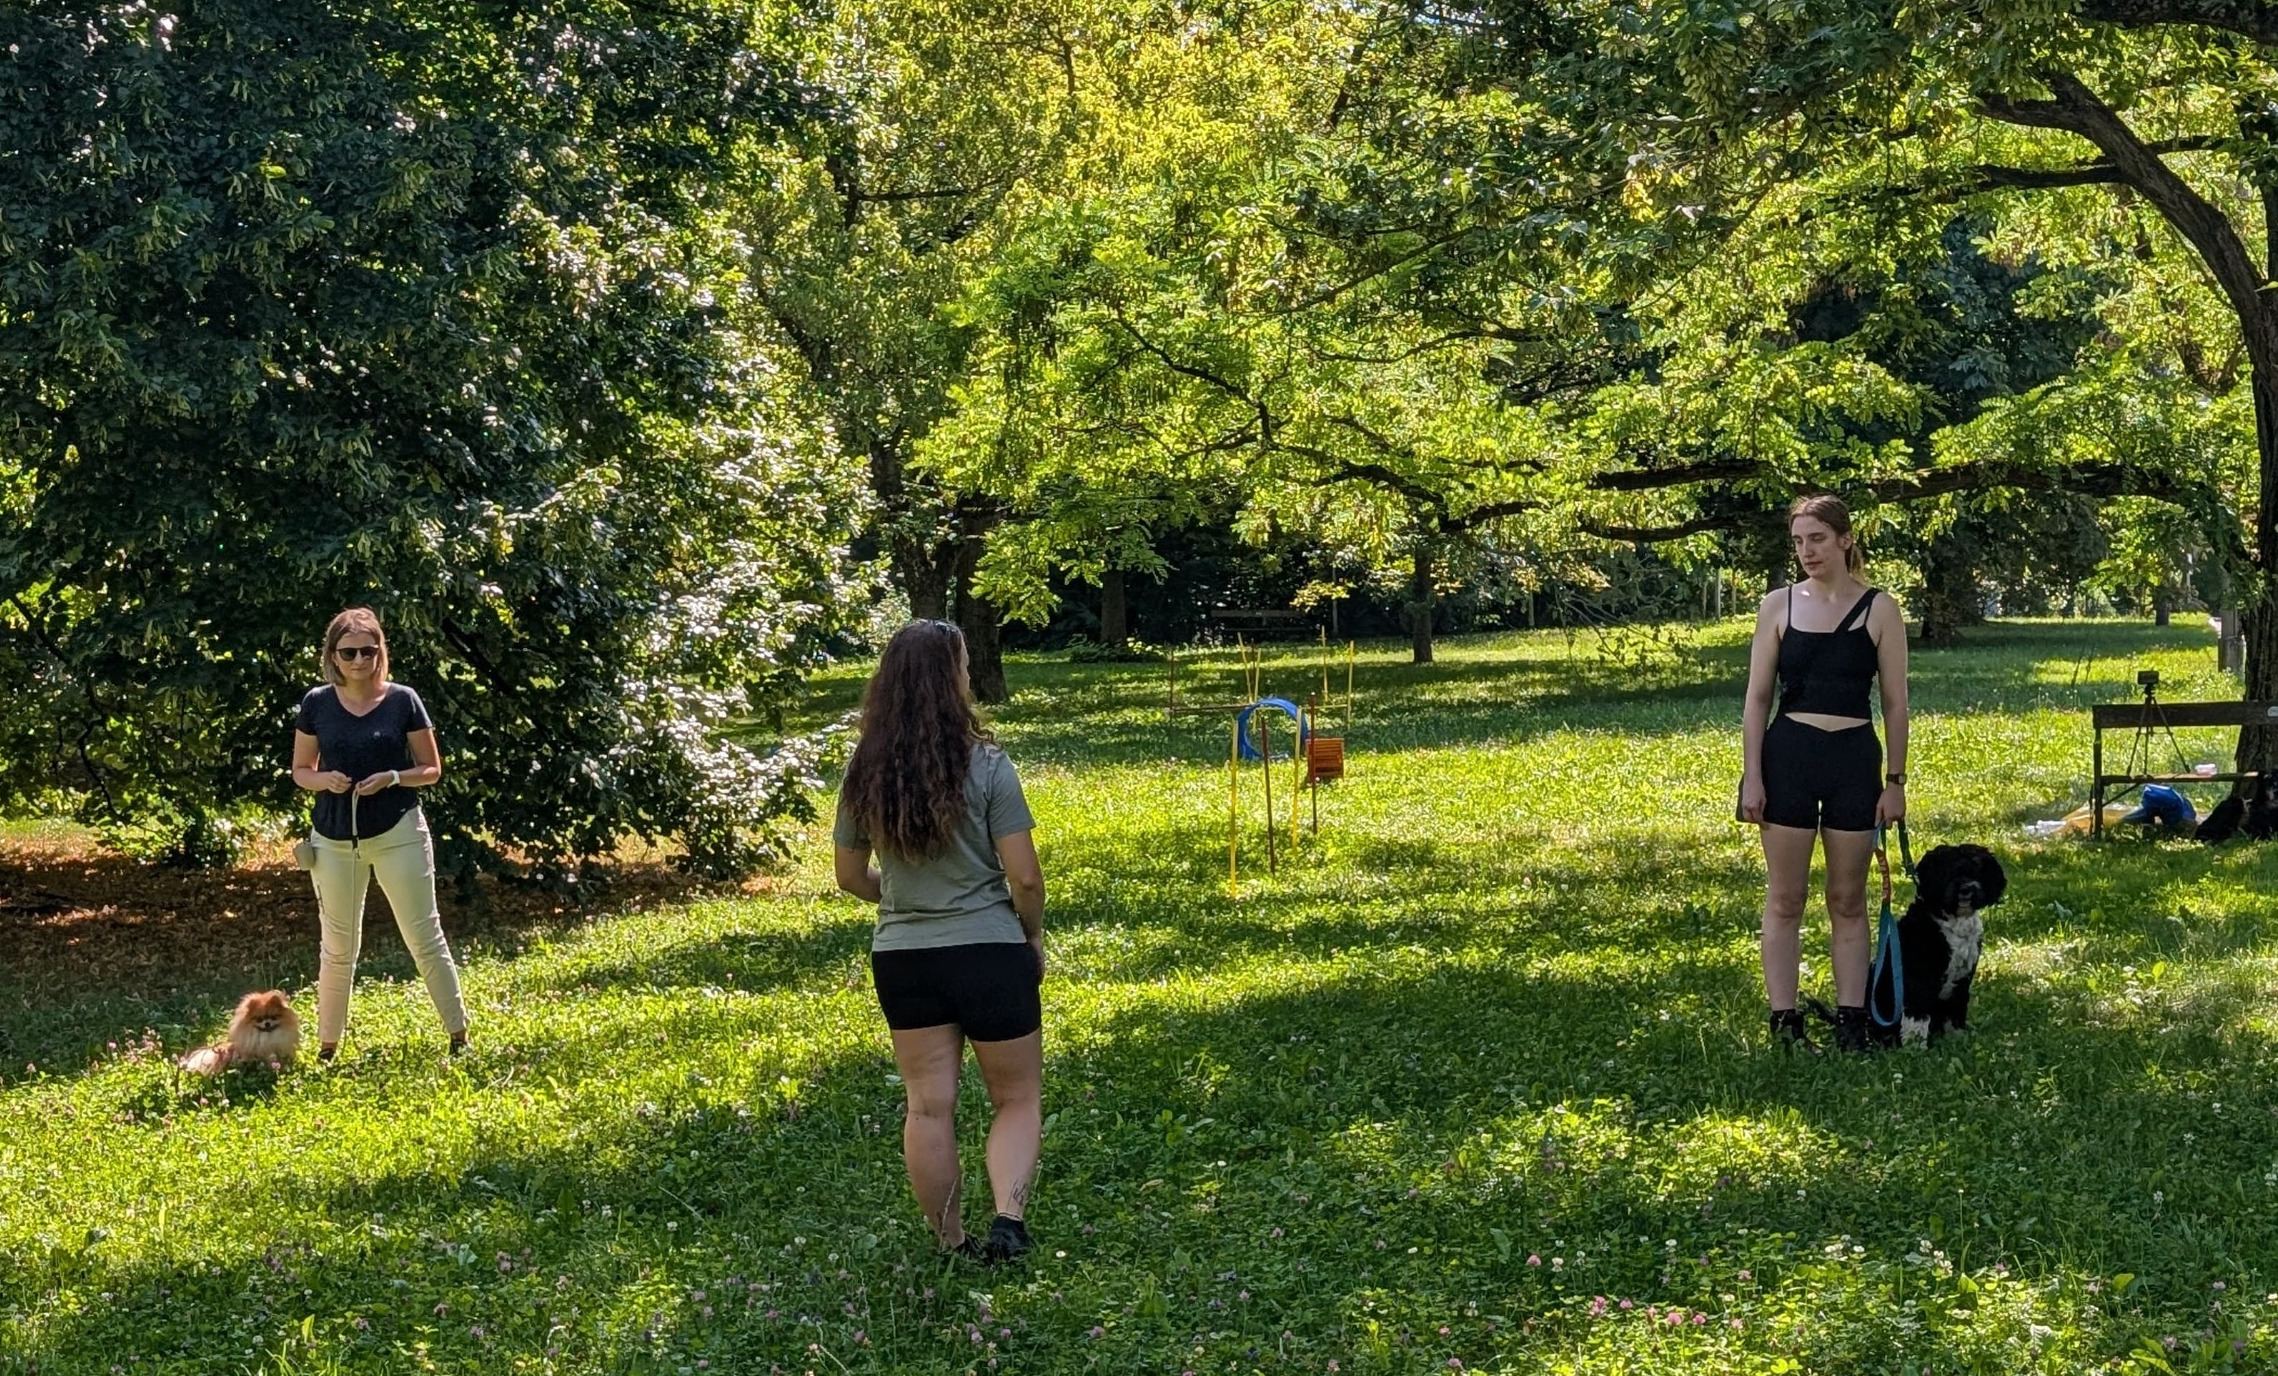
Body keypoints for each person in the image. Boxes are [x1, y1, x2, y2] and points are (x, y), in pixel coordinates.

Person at [834, 620, 1046, 1263]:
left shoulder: (865, 770)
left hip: (904, 959)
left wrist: (905, 899)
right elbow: (1025, 877)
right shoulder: (989, 764)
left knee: (928, 1107)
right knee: (1016, 1098)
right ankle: (1008, 1220)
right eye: (964, 666)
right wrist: (1030, 934)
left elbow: (849, 876)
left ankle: (952, 1243)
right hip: (989, 952)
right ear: (953, 678)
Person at [1738, 496, 1909, 1053]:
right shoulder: (1779, 605)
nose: (1806, 551)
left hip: (1854, 761)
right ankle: (1785, 1024)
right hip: (1788, 757)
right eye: (1798, 541)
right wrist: (1752, 776)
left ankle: (1852, 1023)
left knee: (1847, 899)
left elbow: (1896, 703)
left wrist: (1895, 782)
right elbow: (1757, 698)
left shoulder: (1880, 609)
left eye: (1816, 538)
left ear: (1844, 539)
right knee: (1786, 897)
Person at [290, 608, 469, 1061]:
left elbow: (431, 769)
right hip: (333, 837)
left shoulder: (403, 699)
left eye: (368, 651)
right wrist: (324, 780)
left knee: (423, 935)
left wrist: (392, 777)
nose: (359, 660)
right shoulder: (317, 702)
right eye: (349, 652)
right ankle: (327, 1048)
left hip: (398, 831)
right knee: (337, 946)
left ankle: (459, 1037)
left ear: (380, 652)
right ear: (333, 655)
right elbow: (301, 770)